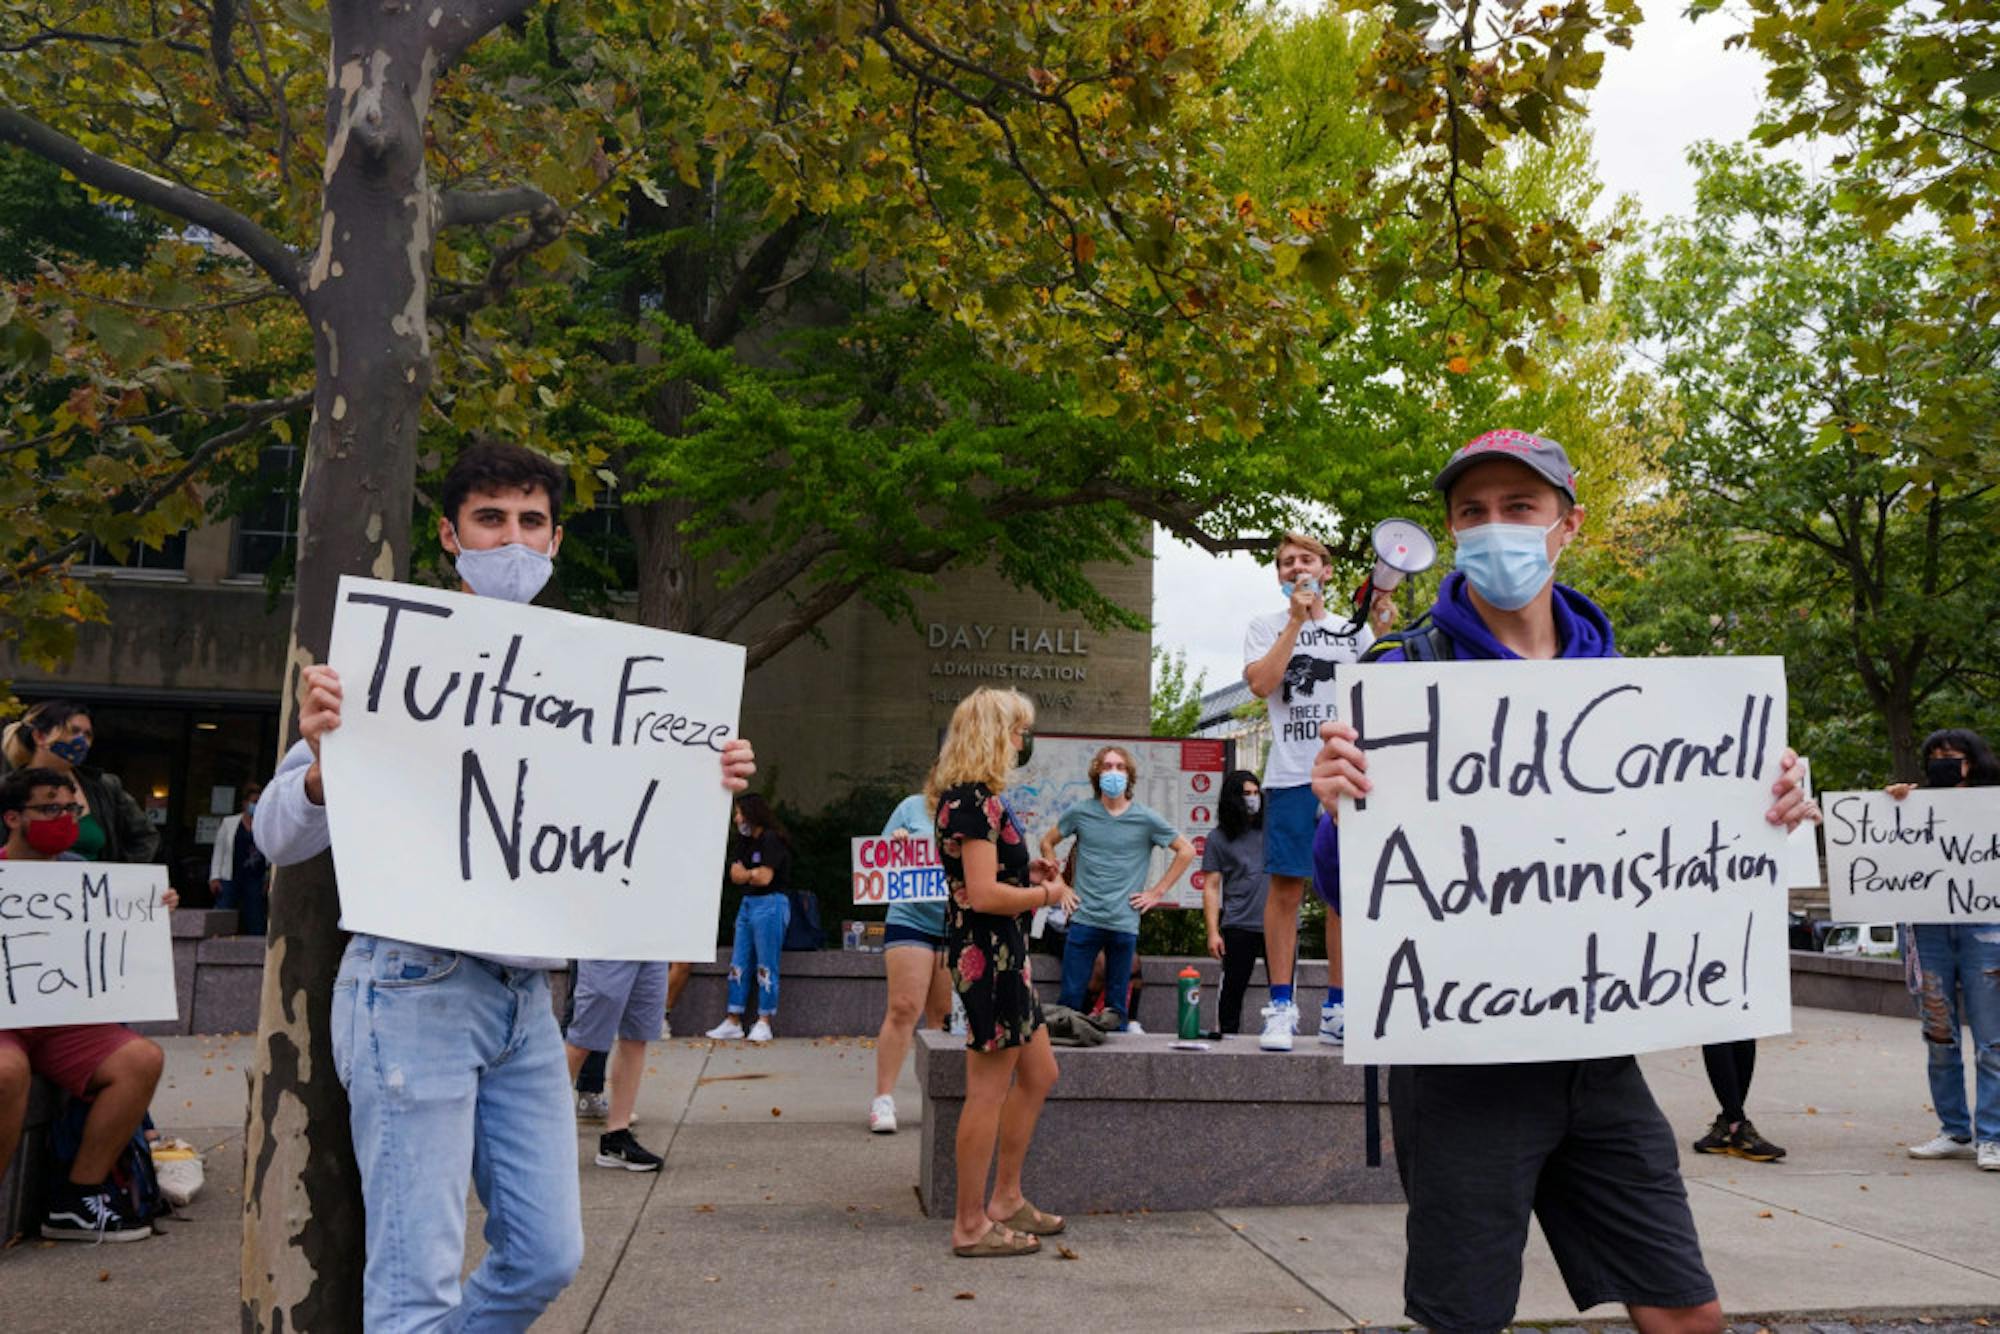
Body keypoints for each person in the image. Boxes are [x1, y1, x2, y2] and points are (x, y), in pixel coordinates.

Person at [1308, 428, 1817, 1334]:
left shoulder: (1641, 694)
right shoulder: (1400, 678)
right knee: (1464, 1319)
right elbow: (1354, 895)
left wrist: (1769, 811)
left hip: (1598, 1052)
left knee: (1688, 1312)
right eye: (1473, 512)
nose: (1494, 527)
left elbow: (1694, 864)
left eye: (1520, 507)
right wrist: (1340, 812)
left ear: (1567, 524)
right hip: (1461, 1059)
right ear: (1451, 530)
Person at [254, 441, 757, 1330]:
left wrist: (701, 775)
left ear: (556, 540)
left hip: (527, 997)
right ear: (451, 536)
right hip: (411, 986)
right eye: (490, 519)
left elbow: (626, 818)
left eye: (531, 521)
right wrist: (328, 766)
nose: (513, 539)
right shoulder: (385, 658)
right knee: (416, 1281)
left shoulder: (595, 676)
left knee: (545, 1253)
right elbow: (276, 832)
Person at [0, 766, 176, 1243]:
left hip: (63, 1022)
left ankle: (77, 1200)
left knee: (141, 1059)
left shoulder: (86, 875)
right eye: (49, 808)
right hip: (6, 1024)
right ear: (13, 818)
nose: (64, 818)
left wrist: (149, 910)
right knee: (7, 1071)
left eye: (70, 809)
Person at [930, 687, 1074, 1257]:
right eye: (1017, 730)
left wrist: (1027, 873)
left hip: (1004, 956)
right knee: (987, 1091)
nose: (1021, 741)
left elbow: (989, 878)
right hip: (989, 958)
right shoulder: (971, 800)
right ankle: (970, 1225)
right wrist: (1046, 894)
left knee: (1039, 1073)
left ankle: (1007, 1199)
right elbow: (984, 895)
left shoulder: (980, 799)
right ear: (993, 734)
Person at [1241, 533, 1391, 1051]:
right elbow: (1262, 684)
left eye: (1305, 559)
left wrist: (1385, 631)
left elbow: (1384, 689)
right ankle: (1281, 1007)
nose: (1295, 567)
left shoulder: (1353, 631)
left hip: (1345, 776)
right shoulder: (1266, 626)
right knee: (1286, 891)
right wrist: (1295, 623)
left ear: (1326, 571)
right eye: (1286, 563)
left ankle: (1338, 1007)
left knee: (1341, 893)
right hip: (1290, 775)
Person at [1888, 727, 2000, 1170]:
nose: (1943, 763)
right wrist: (1894, 807)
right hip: (1928, 932)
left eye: (1952, 756)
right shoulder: (1912, 807)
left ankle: (1992, 1136)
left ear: (1974, 762)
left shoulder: (1993, 807)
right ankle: (1954, 1130)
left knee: (1992, 1042)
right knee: (1939, 1037)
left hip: (1985, 931)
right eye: (1935, 756)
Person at [1039, 746, 1194, 1034]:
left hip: (1124, 921)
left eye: (1120, 767)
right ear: (1097, 772)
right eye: (1108, 766)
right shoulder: (1081, 812)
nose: (1113, 772)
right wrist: (1060, 887)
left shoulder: (1145, 818)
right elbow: (1047, 843)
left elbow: (1186, 850)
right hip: (1084, 918)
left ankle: (1118, 1058)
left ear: (1129, 774)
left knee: (1117, 1008)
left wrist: (1157, 892)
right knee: (1069, 1001)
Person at [869, 791, 953, 1134]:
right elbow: (876, 859)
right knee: (903, 1007)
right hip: (910, 916)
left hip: (955, 923)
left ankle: (936, 1101)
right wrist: (896, 844)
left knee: (943, 1017)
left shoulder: (978, 809)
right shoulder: (911, 807)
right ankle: (883, 1098)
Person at [2, 700, 160, 864]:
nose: (82, 741)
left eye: (88, 734)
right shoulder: (6, 789)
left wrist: (116, 875)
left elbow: (145, 837)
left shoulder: (104, 787)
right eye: (74, 731)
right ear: (40, 736)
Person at [564, 958, 670, 1171]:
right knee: (583, 1038)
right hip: (607, 947)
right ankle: (534, 1130)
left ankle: (617, 1135)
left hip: (653, 947)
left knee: (637, 1036)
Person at [706, 794, 792, 1044]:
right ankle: (733, 1019)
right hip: (748, 903)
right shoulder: (745, 841)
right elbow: (735, 874)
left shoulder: (771, 839)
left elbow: (765, 878)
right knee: (738, 962)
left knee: (766, 964)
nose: (737, 819)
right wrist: (751, 874)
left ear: (752, 814)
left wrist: (749, 873)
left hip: (770, 903)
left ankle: (764, 1020)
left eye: (740, 813)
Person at [1202, 769, 1272, 1037]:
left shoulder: (1272, 830)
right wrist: (1212, 932)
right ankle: (1227, 1036)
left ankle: (1281, 1034)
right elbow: (1211, 887)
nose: (1252, 799)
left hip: (1279, 924)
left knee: (1283, 989)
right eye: (1246, 794)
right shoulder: (1218, 838)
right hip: (1239, 923)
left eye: (1256, 793)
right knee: (1232, 988)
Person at [212, 782, 271, 936]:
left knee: (255, 915)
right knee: (224, 911)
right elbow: (219, 850)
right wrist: (215, 877)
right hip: (231, 875)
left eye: (259, 802)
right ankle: (218, 941)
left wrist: (268, 878)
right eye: (254, 802)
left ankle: (256, 945)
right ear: (245, 803)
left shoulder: (265, 824)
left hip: (255, 877)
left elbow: (270, 853)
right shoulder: (229, 823)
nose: (256, 806)